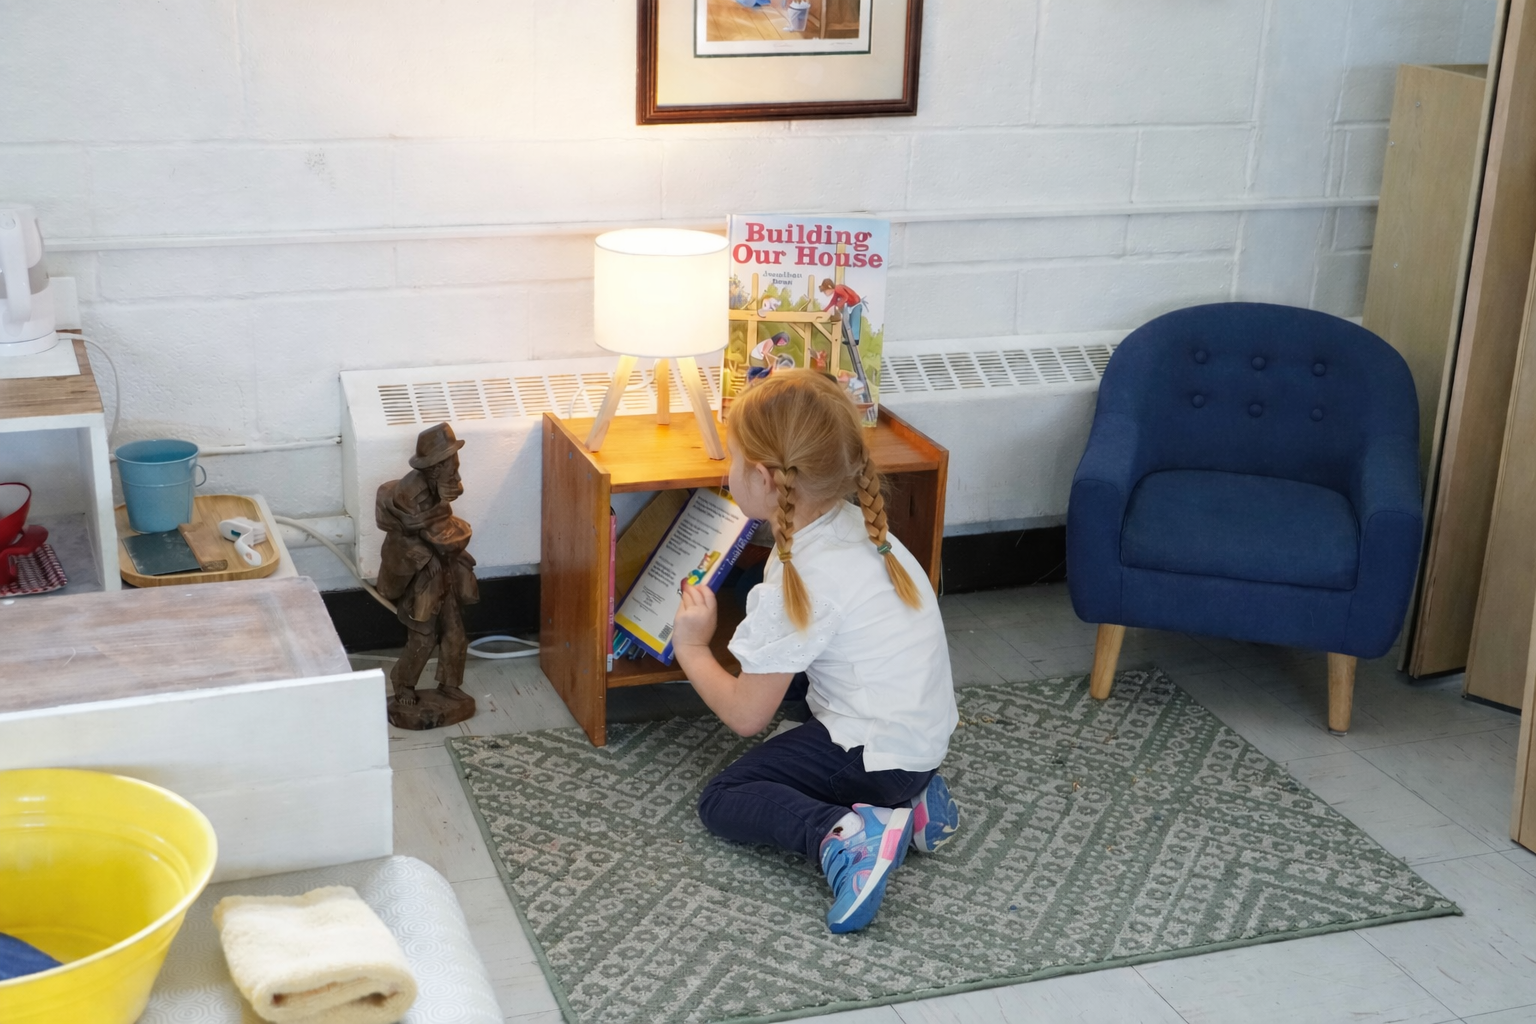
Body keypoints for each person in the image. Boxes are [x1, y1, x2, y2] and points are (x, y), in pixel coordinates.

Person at [672, 370, 959, 934]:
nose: (725, 471)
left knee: (725, 798)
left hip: (879, 757)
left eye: (731, 458)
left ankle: (850, 835)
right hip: (919, 741)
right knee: (793, 670)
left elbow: (746, 716)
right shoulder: (861, 526)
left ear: (762, 476)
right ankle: (916, 799)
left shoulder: (798, 579)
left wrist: (692, 647)